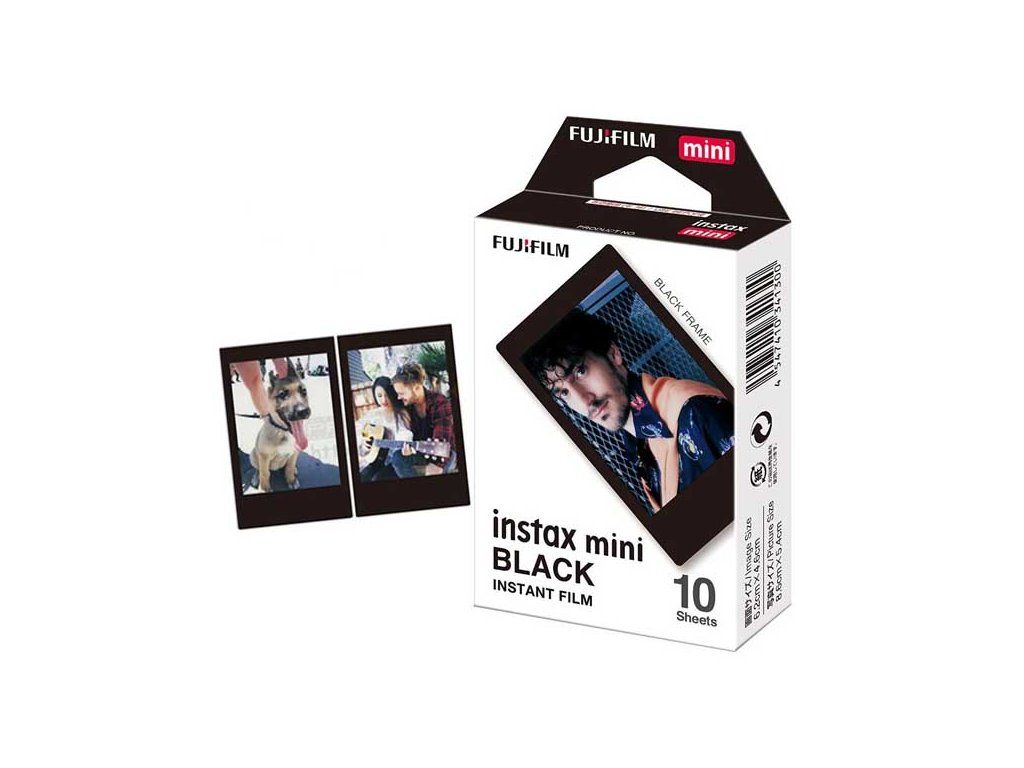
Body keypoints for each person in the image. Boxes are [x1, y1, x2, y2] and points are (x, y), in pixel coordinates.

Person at [523, 308, 733, 514]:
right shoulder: (636, 443)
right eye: (564, 392)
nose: (585, 401)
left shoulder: (697, 411)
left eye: (581, 371)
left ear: (613, 354)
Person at [392, 362, 457, 476]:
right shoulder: (409, 407)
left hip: (445, 453)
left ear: (417, 387)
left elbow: (442, 443)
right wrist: (409, 449)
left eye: (401, 393)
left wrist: (436, 465)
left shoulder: (439, 402)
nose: (398, 397)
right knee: (397, 457)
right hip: (422, 451)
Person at [356, 376, 413, 481]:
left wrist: (405, 445)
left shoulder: (402, 414)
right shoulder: (372, 415)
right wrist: (365, 445)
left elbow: (405, 435)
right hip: (375, 460)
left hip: (394, 462)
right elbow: (361, 435)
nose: (383, 400)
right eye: (379, 396)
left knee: (378, 479)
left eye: (387, 395)